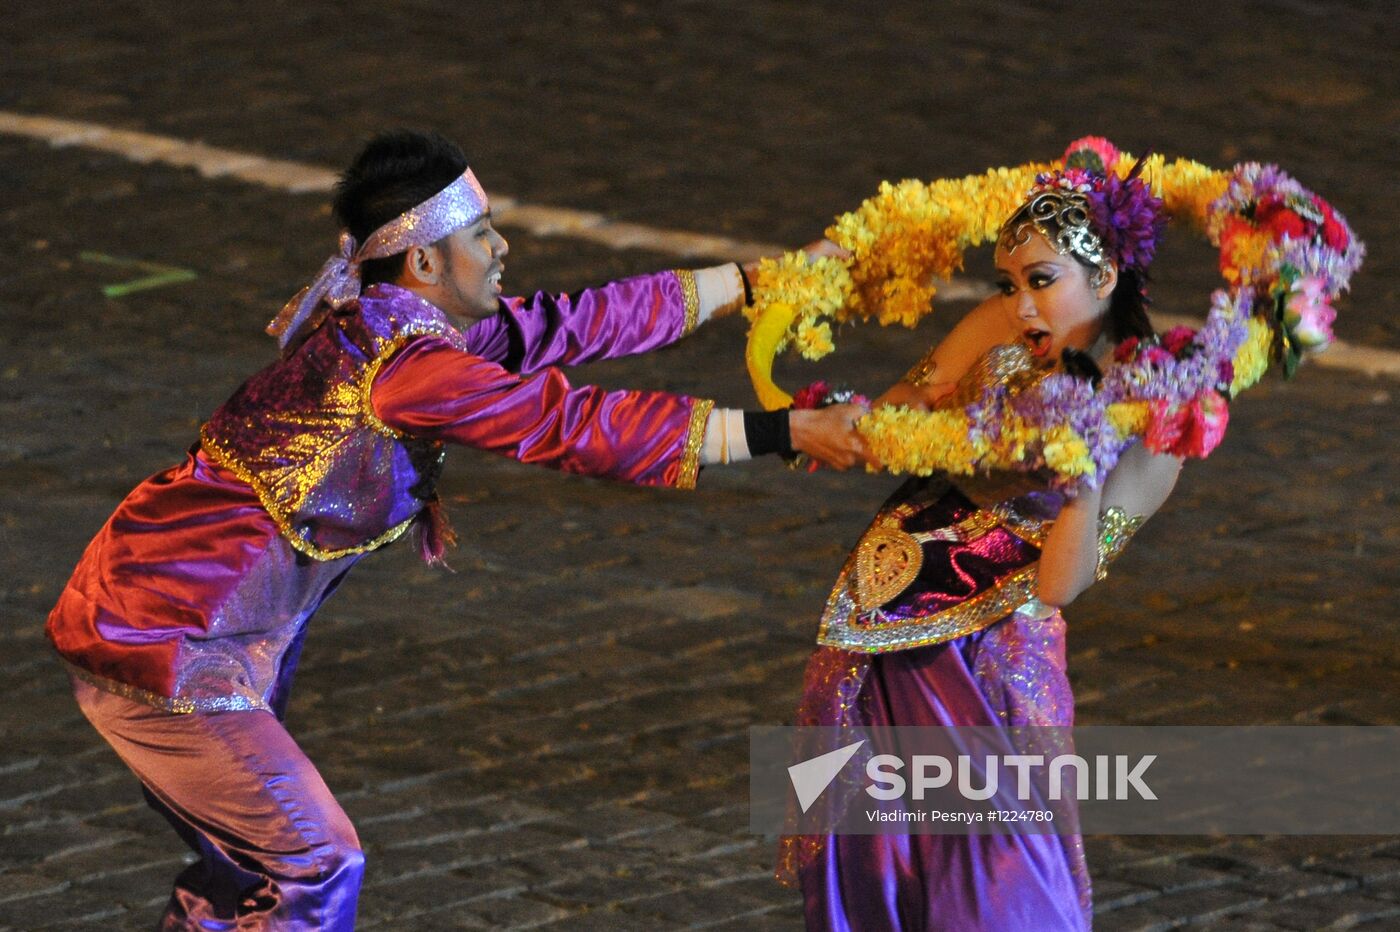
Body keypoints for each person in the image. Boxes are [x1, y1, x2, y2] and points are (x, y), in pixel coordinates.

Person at [46, 129, 868, 931]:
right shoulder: (407, 367)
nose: (503, 247)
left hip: (228, 624)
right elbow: (567, 423)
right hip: (167, 635)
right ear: (426, 260)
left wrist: (763, 280)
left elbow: (580, 322)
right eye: (482, 232)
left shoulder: (411, 327)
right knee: (311, 861)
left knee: (246, 870)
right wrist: (780, 434)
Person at [781, 161, 1182, 931]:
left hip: (992, 659)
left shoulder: (1159, 420)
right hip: (885, 620)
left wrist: (1084, 471)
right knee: (872, 860)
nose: (1020, 304)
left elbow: (1064, 583)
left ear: (1106, 277)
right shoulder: (1006, 328)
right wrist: (834, 424)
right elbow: (905, 412)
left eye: (1040, 279)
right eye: (1008, 283)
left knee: (1000, 879)